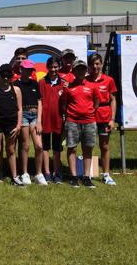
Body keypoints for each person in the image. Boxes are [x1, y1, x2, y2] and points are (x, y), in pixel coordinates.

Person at [61, 60, 99, 188]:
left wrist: (90, 113)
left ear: (86, 71)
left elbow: (96, 102)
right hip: (72, 121)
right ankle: (73, 177)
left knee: (88, 148)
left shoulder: (92, 85)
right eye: (78, 69)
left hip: (89, 121)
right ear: (74, 71)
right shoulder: (68, 87)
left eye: (83, 69)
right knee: (72, 148)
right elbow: (64, 103)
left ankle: (86, 177)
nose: (80, 72)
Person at [87, 53, 117, 186]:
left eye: (97, 64)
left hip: (104, 117)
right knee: (88, 145)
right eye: (92, 64)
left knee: (104, 146)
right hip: (89, 116)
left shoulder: (108, 80)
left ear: (101, 64)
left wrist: (112, 119)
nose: (95, 66)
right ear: (89, 65)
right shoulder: (85, 80)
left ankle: (106, 174)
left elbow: (113, 100)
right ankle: (88, 173)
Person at [15, 59, 47, 185]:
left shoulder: (34, 83)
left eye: (30, 70)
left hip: (34, 116)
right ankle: (25, 173)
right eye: (26, 69)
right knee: (25, 146)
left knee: (39, 146)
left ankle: (39, 174)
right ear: (21, 69)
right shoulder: (15, 84)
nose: (28, 72)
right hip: (22, 115)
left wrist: (39, 121)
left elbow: (40, 102)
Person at [38, 57, 65, 184]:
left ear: (59, 67)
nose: (53, 70)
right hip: (45, 120)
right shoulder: (42, 82)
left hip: (59, 120)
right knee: (45, 147)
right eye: (51, 67)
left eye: (56, 67)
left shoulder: (63, 83)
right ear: (47, 67)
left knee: (57, 148)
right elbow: (39, 102)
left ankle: (57, 172)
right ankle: (47, 172)